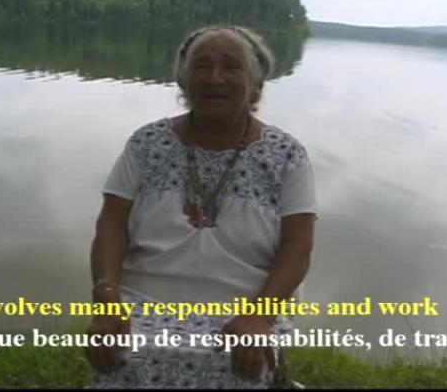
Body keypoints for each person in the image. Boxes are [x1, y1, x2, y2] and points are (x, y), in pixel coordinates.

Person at [85, 24, 318, 389]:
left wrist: (260, 316)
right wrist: (106, 299)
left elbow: (298, 245)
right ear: (182, 81)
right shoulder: (146, 143)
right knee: (123, 349)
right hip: (143, 294)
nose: (215, 78)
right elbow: (111, 224)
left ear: (256, 84)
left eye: (231, 66)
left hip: (248, 301)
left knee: (241, 359)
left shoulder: (286, 155)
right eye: (202, 66)